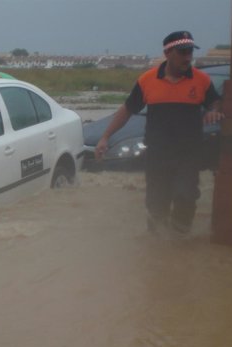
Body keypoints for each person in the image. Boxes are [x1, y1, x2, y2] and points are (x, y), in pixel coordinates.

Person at [95, 31, 225, 238]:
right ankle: (156, 247)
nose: (188, 57)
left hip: (188, 154)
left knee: (185, 196)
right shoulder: (147, 80)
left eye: (190, 51)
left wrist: (213, 110)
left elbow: (215, 102)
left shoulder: (201, 80)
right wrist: (105, 137)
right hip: (158, 154)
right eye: (183, 52)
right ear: (168, 53)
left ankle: (180, 241)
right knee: (156, 204)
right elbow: (127, 110)